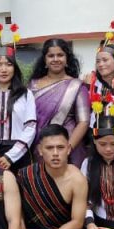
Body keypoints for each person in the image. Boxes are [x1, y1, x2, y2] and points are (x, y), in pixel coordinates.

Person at [28, 38, 89, 166]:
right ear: (45, 60)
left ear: (67, 59)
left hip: (70, 149)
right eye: (51, 56)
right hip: (39, 148)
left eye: (60, 55)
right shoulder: (32, 85)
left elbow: (83, 122)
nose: (56, 59)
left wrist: (67, 148)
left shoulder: (76, 86)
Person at [0, 43, 37, 173]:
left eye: (8, 64)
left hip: (20, 152)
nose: (4, 69)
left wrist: (10, 156)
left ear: (15, 68)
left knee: (21, 191)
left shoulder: (25, 94)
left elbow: (30, 126)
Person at [88, 25, 114, 128]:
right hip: (94, 135)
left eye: (105, 60)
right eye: (98, 61)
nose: (100, 64)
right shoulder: (92, 84)